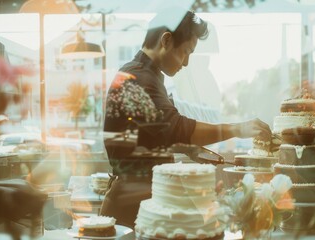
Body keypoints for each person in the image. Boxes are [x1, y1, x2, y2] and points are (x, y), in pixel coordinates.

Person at [101, 9, 271, 228]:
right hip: (130, 210)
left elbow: (156, 134)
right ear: (166, 40)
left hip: (139, 203)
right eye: (186, 52)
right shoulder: (139, 79)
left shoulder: (145, 75)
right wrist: (238, 129)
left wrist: (188, 147)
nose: (187, 63)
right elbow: (176, 129)